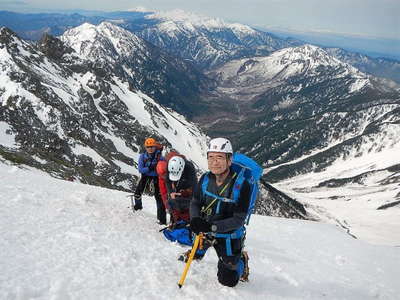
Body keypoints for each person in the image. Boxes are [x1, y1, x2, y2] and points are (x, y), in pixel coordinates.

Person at [189, 137, 251, 287]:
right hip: (206, 229)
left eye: (219, 157)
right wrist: (196, 219)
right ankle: (200, 249)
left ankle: (240, 260)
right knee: (194, 248)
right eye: (211, 157)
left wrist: (211, 227)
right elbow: (195, 202)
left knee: (228, 281)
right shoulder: (205, 179)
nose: (214, 162)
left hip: (228, 234)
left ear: (229, 161)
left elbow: (238, 220)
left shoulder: (242, 185)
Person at [134, 138, 166, 225]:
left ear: (155, 147)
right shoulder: (143, 156)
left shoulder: (160, 158)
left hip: (155, 177)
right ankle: (138, 208)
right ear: (145, 147)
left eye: (152, 147)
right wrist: (151, 168)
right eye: (148, 147)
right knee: (137, 193)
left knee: (159, 198)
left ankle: (162, 220)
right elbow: (140, 169)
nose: (150, 148)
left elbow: (164, 168)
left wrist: (148, 169)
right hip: (148, 176)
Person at [166, 155, 197, 225]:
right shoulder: (170, 166)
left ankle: (189, 221)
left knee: (189, 203)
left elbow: (195, 187)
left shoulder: (190, 168)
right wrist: (170, 192)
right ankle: (174, 221)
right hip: (177, 185)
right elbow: (167, 181)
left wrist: (185, 193)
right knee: (172, 201)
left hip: (187, 184)